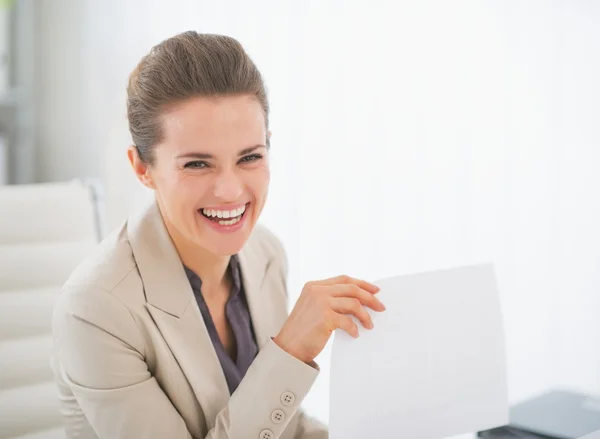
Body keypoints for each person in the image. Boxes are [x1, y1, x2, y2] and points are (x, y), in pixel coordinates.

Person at [51, 31, 386, 439]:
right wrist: (291, 352)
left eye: (249, 157)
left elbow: (283, 426)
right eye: (197, 164)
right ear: (142, 168)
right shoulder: (96, 308)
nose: (230, 190)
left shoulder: (265, 253)